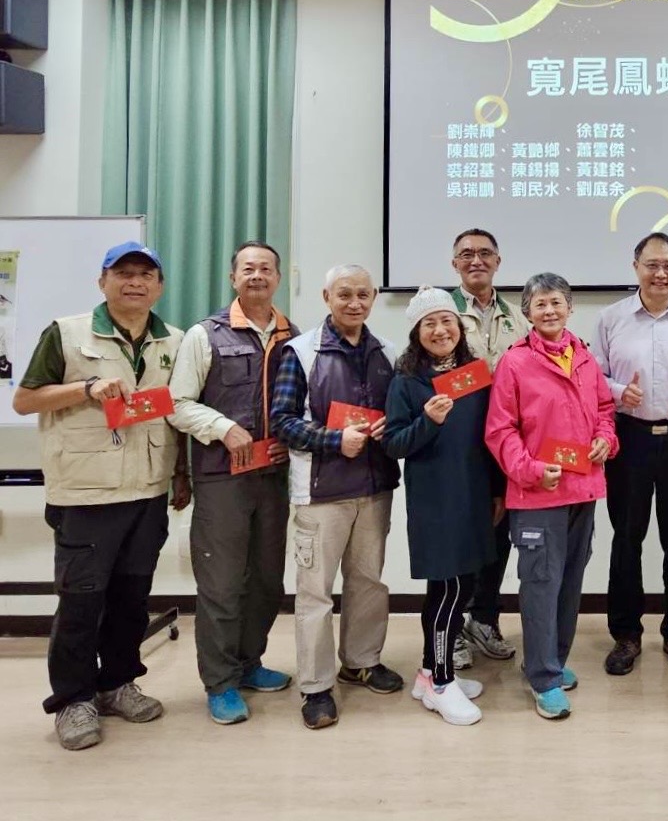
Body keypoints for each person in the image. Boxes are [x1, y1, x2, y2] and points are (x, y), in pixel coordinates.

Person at [12, 242, 189, 751]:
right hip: (86, 492)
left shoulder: (174, 341)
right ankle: (73, 700)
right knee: (81, 602)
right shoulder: (67, 334)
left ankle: (116, 684)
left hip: (148, 491)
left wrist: (181, 474)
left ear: (159, 286)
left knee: (131, 600)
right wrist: (85, 388)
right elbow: (24, 400)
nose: (135, 282)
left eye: (145, 275)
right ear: (103, 281)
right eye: (123, 273)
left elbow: (176, 411)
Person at [168, 241, 297, 725]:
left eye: (266, 268)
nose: (257, 275)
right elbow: (177, 403)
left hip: (274, 477)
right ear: (233, 278)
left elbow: (301, 402)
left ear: (278, 278)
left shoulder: (293, 336)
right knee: (221, 584)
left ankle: (248, 663)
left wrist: (291, 439)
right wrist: (223, 427)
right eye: (248, 268)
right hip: (222, 477)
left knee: (266, 580)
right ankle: (220, 682)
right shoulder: (205, 335)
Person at [271, 264, 403, 730]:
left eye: (363, 294)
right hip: (320, 492)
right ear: (327, 297)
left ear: (374, 297)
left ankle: (360, 662)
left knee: (368, 582)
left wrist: (390, 426)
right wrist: (332, 439)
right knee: (316, 593)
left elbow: (398, 413)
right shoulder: (301, 351)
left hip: (374, 488)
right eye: (344, 294)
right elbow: (281, 420)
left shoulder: (387, 352)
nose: (354, 303)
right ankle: (316, 686)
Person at [484, 272, 618, 720]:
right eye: (540, 304)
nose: (549, 311)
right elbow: (500, 430)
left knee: (570, 580)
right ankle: (542, 678)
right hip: (537, 494)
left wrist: (606, 440)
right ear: (527, 312)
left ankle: (552, 661)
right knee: (541, 583)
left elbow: (605, 409)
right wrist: (530, 471)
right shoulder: (515, 362)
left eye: (556, 302)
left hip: (583, 488)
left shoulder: (584, 356)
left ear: (570, 307)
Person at [384, 287, 502, 726]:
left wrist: (497, 491)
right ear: (417, 332)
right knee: (448, 590)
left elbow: (490, 436)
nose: (440, 330)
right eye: (429, 323)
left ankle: (427, 672)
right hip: (436, 501)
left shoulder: (474, 373)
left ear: (460, 326)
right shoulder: (406, 381)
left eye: (446, 321)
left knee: (461, 585)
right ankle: (441, 680)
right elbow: (394, 443)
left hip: (474, 496)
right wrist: (428, 421)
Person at [593, 232, 668, 677]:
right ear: (636, 266)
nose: (661, 273)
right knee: (626, 539)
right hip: (629, 439)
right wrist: (620, 392)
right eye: (652, 264)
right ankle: (626, 635)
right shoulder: (610, 319)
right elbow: (593, 378)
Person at [448, 228, 527, 668]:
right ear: (454, 263)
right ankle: (452, 626)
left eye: (484, 253)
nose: (475, 260)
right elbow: (429, 374)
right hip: (459, 445)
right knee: (460, 536)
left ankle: (484, 619)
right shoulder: (441, 312)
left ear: (498, 261)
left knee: (499, 536)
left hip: (507, 445)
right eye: (466, 254)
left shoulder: (518, 316)